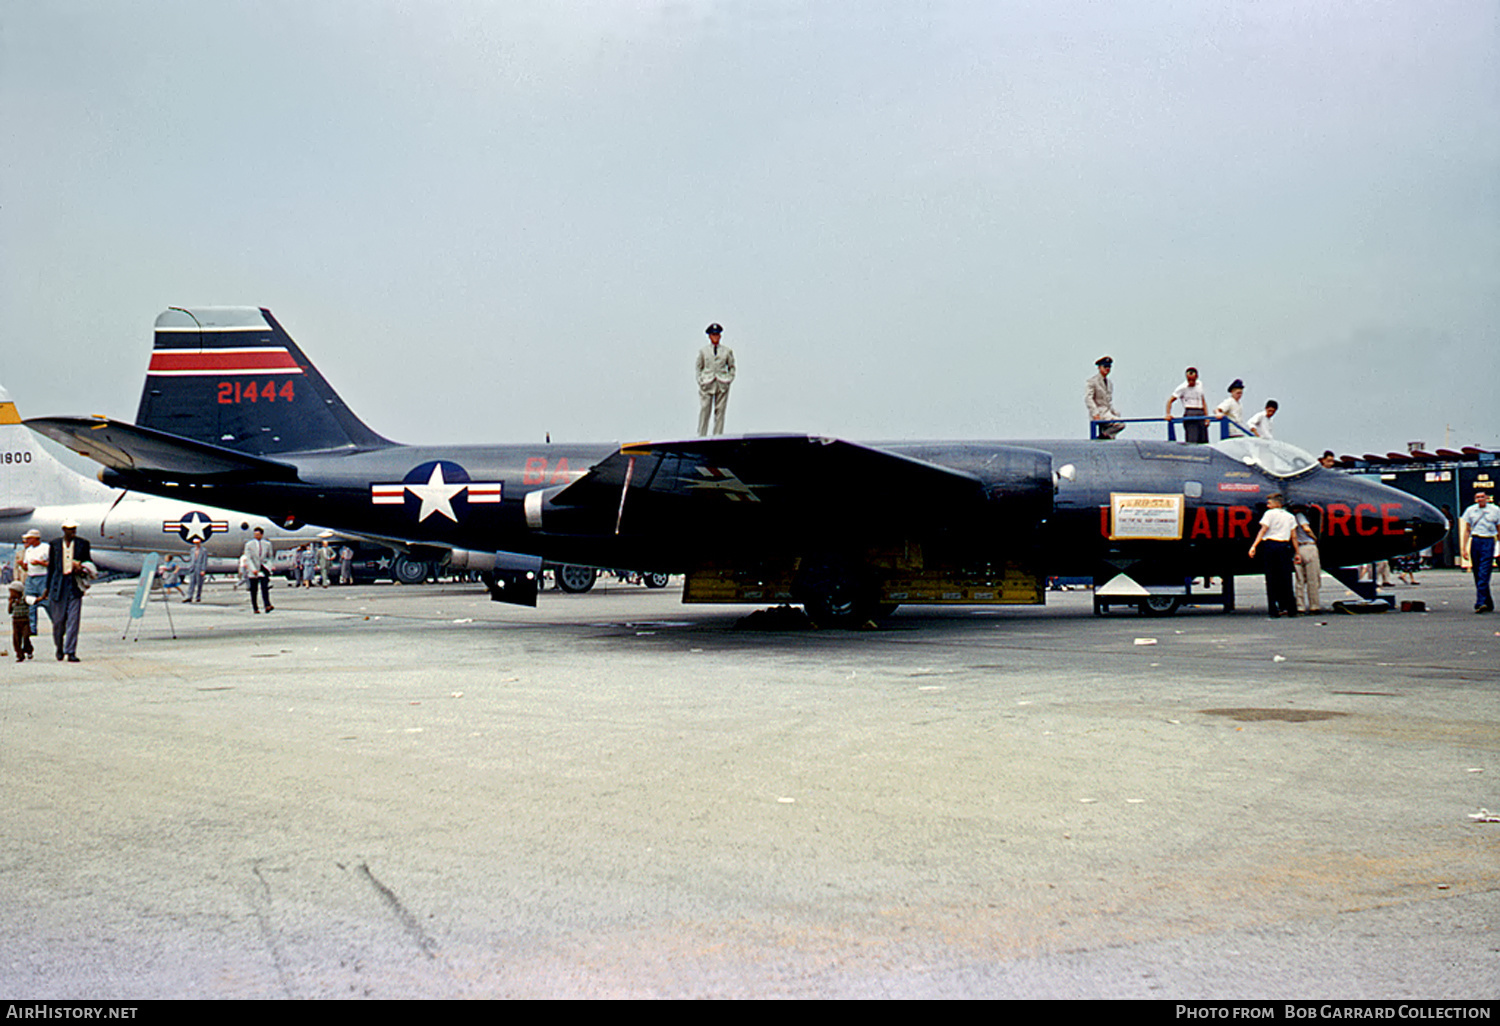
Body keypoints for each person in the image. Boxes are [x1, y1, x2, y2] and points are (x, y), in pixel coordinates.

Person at [42, 519, 92, 661]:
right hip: (58, 585)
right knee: (58, 621)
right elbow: (51, 568)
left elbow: (89, 563)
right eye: (70, 529)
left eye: (74, 528)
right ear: (64, 529)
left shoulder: (83, 544)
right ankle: (59, 646)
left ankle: (70, 651)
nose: (73, 531)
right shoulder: (55, 544)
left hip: (74, 584)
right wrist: (47, 587)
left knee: (73, 620)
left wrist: (81, 567)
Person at [1248, 493, 1298, 618]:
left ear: (1276, 504)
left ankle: (1273, 609)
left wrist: (1254, 545)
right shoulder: (1290, 516)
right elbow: (1294, 536)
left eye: (1269, 502)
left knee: (1271, 578)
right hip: (1284, 546)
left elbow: (1263, 530)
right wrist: (1297, 552)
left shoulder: (1269, 514)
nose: (1267, 505)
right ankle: (1291, 608)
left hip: (1270, 545)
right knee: (1286, 578)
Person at [1458, 489, 1499, 613]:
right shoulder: (1470, 510)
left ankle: (1480, 602)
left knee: (1484, 572)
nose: (1480, 499)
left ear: (1487, 497)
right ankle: (1488, 601)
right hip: (1475, 541)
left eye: (1482, 497)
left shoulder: (1495, 510)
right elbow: (1467, 529)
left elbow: (1499, 528)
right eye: (1478, 497)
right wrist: (1463, 548)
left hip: (1488, 540)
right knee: (1477, 572)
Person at [695, 323, 735, 437]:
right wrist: (701, 380)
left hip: (722, 384)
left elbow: (732, 367)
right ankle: (701, 435)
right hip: (707, 383)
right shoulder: (703, 351)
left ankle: (717, 435)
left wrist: (728, 379)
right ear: (709, 336)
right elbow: (699, 367)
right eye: (713, 335)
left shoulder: (727, 351)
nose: (715, 337)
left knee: (720, 411)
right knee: (704, 410)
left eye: (717, 335)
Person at [17, 529, 48, 639]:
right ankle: (32, 627)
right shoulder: (28, 551)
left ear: (35, 538)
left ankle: (58, 623)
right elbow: (27, 567)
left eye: (29, 538)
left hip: (43, 576)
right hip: (31, 577)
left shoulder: (45, 548)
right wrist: (22, 565)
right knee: (30, 601)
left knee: (47, 601)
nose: (27, 540)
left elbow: (51, 564)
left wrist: (40, 563)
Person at [1291, 504, 1322, 613]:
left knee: (1300, 580)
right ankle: (1314, 605)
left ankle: (1300, 606)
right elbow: (1306, 528)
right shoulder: (1300, 516)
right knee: (1312, 579)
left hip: (1298, 548)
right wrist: (1314, 538)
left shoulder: (1291, 518)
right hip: (1309, 546)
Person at [1165, 367, 1208, 443]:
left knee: (1203, 439)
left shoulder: (1200, 385)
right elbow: (1170, 401)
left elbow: (1203, 400)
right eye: (1189, 380)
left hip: (1200, 412)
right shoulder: (1182, 388)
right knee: (1192, 439)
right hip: (1190, 412)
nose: (1191, 382)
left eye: (1193, 380)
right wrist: (1168, 414)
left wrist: (1206, 417)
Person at [1085, 356, 1123, 439]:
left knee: (1112, 433)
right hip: (1099, 412)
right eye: (1105, 367)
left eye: (1109, 367)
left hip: (1107, 412)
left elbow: (1108, 402)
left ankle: (1105, 435)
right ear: (1099, 367)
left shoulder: (1109, 383)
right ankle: (1103, 435)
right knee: (1120, 424)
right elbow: (1088, 399)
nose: (1107, 369)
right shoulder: (1092, 381)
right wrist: (1095, 413)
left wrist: (1114, 412)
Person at [243, 526, 274, 613]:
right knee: (254, 590)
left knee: (265, 588)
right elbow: (248, 558)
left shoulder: (267, 544)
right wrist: (253, 569)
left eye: (258, 534)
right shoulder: (249, 545)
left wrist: (269, 566)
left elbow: (270, 557)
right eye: (255, 534)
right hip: (254, 569)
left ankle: (267, 605)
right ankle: (255, 607)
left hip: (263, 568)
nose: (256, 536)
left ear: (262, 534)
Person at [9, 579, 33, 663]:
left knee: (26, 636)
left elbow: (34, 600)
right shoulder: (13, 601)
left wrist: (43, 597)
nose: (11, 594)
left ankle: (28, 649)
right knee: (16, 639)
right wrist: (10, 602)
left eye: (12, 592)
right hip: (16, 622)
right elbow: (9, 611)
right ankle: (19, 654)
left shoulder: (25, 599)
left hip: (25, 621)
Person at [185, 538, 208, 603]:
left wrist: (203, 569)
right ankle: (189, 596)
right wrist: (190, 566)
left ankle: (198, 596)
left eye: (197, 543)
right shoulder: (192, 550)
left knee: (199, 583)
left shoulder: (204, 550)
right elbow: (191, 559)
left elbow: (204, 560)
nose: (196, 544)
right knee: (191, 583)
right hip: (193, 568)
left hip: (199, 568)